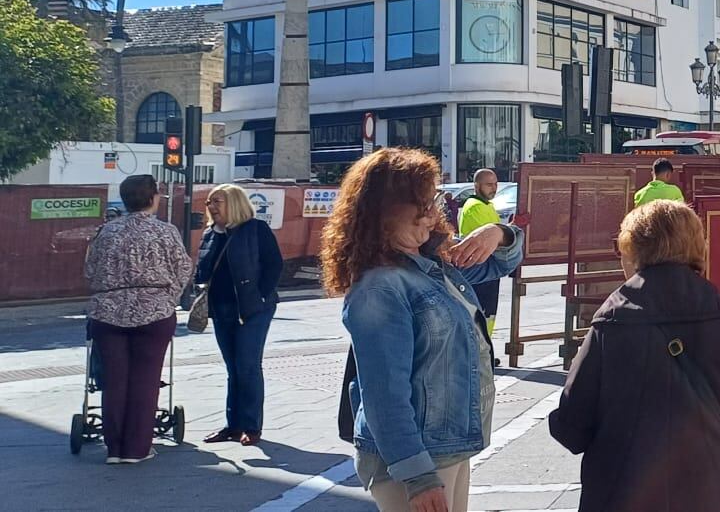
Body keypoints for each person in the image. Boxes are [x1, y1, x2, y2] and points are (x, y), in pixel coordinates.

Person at [325, 147, 524, 512]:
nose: (432, 214)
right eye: (421, 203)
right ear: (383, 210)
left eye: (432, 200)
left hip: (448, 445)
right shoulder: (380, 288)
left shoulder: (430, 262)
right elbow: (383, 394)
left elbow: (502, 263)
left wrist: (499, 233)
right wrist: (417, 475)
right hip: (417, 458)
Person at [549, 201, 720, 511]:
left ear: (635, 250)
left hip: (622, 488)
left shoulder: (613, 315)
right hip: (706, 486)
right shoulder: (718, 307)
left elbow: (572, 422)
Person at [84, 174, 193, 465]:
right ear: (153, 197)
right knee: (146, 380)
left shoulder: (106, 231)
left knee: (114, 380)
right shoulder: (165, 231)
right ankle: (137, 448)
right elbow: (183, 268)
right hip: (153, 311)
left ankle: (115, 449)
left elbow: (90, 270)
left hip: (108, 311)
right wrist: (168, 298)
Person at [193, 184, 282, 446]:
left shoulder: (255, 230)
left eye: (217, 201)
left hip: (252, 309)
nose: (211, 207)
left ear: (234, 202)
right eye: (209, 203)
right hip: (222, 309)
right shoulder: (211, 233)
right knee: (233, 368)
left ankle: (252, 426)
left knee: (248, 366)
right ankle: (233, 425)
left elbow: (274, 264)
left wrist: (261, 295)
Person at [456, 169, 505, 363]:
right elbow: (492, 241)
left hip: (487, 268)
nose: (494, 188)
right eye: (489, 184)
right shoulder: (474, 206)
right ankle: (478, 355)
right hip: (478, 268)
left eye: (495, 184)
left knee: (487, 315)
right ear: (477, 186)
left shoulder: (487, 205)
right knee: (480, 314)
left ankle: (484, 353)